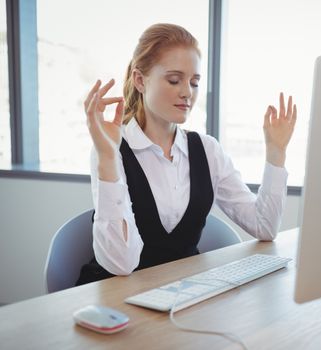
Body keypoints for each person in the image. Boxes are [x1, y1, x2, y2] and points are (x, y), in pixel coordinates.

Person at [76, 23, 297, 285]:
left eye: (194, 82)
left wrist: (276, 152)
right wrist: (108, 158)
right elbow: (121, 264)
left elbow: (264, 227)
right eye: (174, 80)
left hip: (181, 293)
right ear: (139, 80)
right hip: (117, 296)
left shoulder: (207, 149)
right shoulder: (111, 147)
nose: (187, 92)